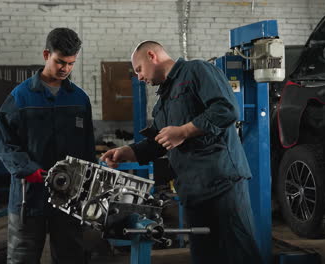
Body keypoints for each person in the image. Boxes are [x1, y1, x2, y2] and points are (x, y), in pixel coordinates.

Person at [101, 41, 263, 264]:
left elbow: (226, 110)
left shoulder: (197, 70)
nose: (138, 77)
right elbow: (160, 142)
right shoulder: (162, 101)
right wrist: (126, 151)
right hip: (192, 193)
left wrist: (184, 131)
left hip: (222, 186)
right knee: (205, 257)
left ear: (151, 55)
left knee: (238, 254)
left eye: (139, 69)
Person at [0, 28, 95, 264]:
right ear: (46, 54)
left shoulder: (79, 99)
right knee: (22, 258)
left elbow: (88, 148)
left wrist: (88, 188)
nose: (65, 69)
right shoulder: (21, 96)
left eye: (71, 63)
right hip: (29, 196)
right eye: (60, 61)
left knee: (71, 257)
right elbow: (0, 139)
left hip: (70, 196)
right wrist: (27, 168)